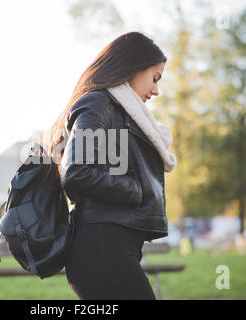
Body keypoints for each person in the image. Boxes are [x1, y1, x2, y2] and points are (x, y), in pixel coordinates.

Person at [47, 32, 177, 299]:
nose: (156, 90)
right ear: (132, 65)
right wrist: (135, 189)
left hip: (114, 247)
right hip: (101, 248)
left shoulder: (121, 111)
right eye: (155, 78)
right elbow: (77, 173)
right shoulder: (98, 103)